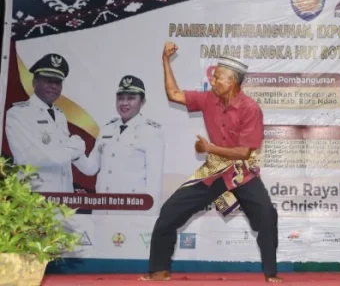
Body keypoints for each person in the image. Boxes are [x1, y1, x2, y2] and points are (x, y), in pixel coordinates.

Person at [140, 42, 281, 283]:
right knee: (170, 211)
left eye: (217, 77)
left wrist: (209, 148)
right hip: (214, 171)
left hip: (241, 173)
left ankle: (271, 273)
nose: (212, 81)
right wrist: (165, 60)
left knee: (267, 215)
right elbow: (174, 94)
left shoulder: (250, 108)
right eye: (213, 76)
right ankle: (159, 270)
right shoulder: (208, 99)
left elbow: (244, 152)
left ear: (232, 81)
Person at [4, 53, 97, 193]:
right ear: (34, 82)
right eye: (48, 81)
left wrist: (79, 153)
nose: (54, 86)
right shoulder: (18, 114)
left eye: (58, 82)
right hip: (36, 197)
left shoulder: (59, 115)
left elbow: (71, 155)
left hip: (64, 195)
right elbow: (30, 157)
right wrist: (73, 150)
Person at [83, 75, 166, 215]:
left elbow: (154, 182)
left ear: (142, 101)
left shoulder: (152, 132)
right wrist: (75, 153)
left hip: (130, 213)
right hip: (102, 210)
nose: (124, 103)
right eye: (120, 98)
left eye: (131, 98)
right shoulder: (107, 129)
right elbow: (91, 168)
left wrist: (150, 218)